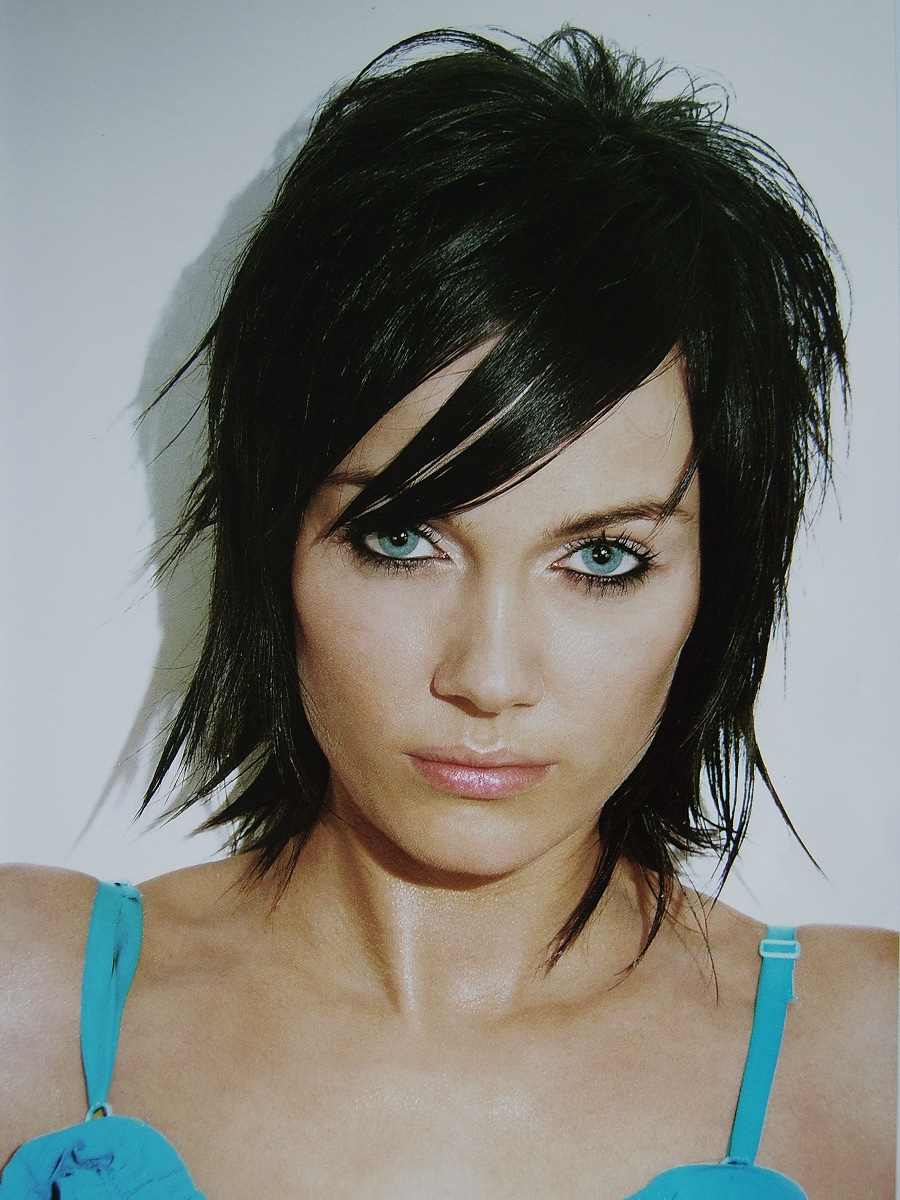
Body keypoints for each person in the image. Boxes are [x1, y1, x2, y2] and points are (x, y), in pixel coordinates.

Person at [0, 27, 895, 1200]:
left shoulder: (868, 1062)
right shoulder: (25, 1006)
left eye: (605, 558)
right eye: (401, 538)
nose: (488, 674)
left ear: (715, 587)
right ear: (274, 536)